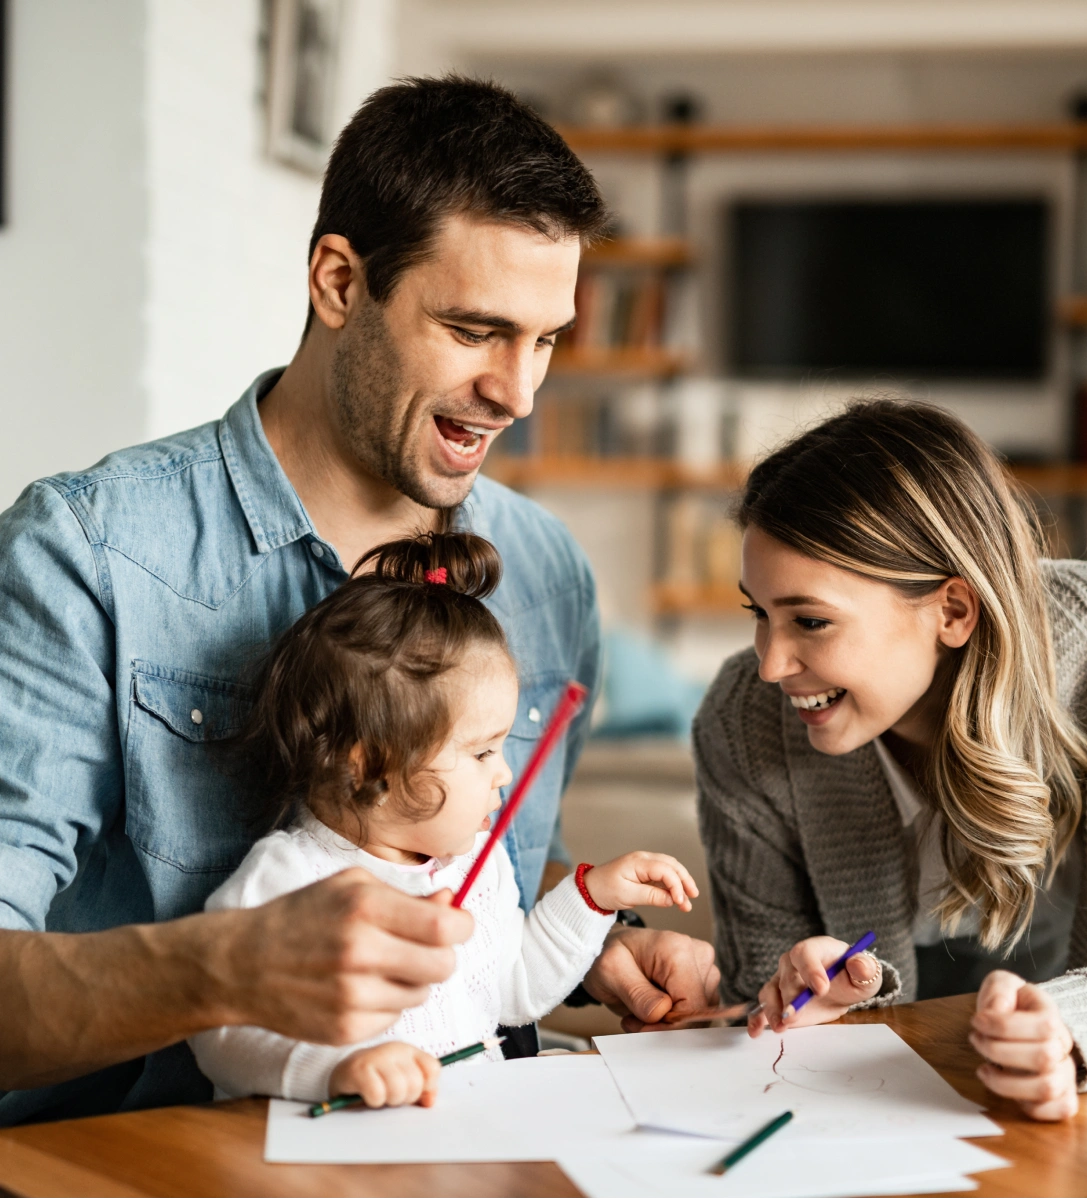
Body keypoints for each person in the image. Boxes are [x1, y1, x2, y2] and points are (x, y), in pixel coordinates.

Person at [0, 75, 717, 1126]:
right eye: (476, 329)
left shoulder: (546, 568)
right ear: (340, 282)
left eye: (547, 339)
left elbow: (458, 840)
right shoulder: (86, 556)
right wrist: (225, 967)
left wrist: (595, 942)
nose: (519, 393)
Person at [695, 399, 1087, 1122]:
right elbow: (759, 1004)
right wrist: (803, 998)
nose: (771, 665)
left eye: (810, 621)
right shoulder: (743, 719)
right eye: (759, 615)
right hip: (879, 1119)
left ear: (953, 611)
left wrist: (1079, 1029)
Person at [190, 532, 699, 1108]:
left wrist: (592, 897)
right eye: (483, 752)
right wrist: (336, 1068)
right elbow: (222, 1035)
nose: (503, 774)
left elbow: (516, 992)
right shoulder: (286, 878)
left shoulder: (476, 864)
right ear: (374, 763)